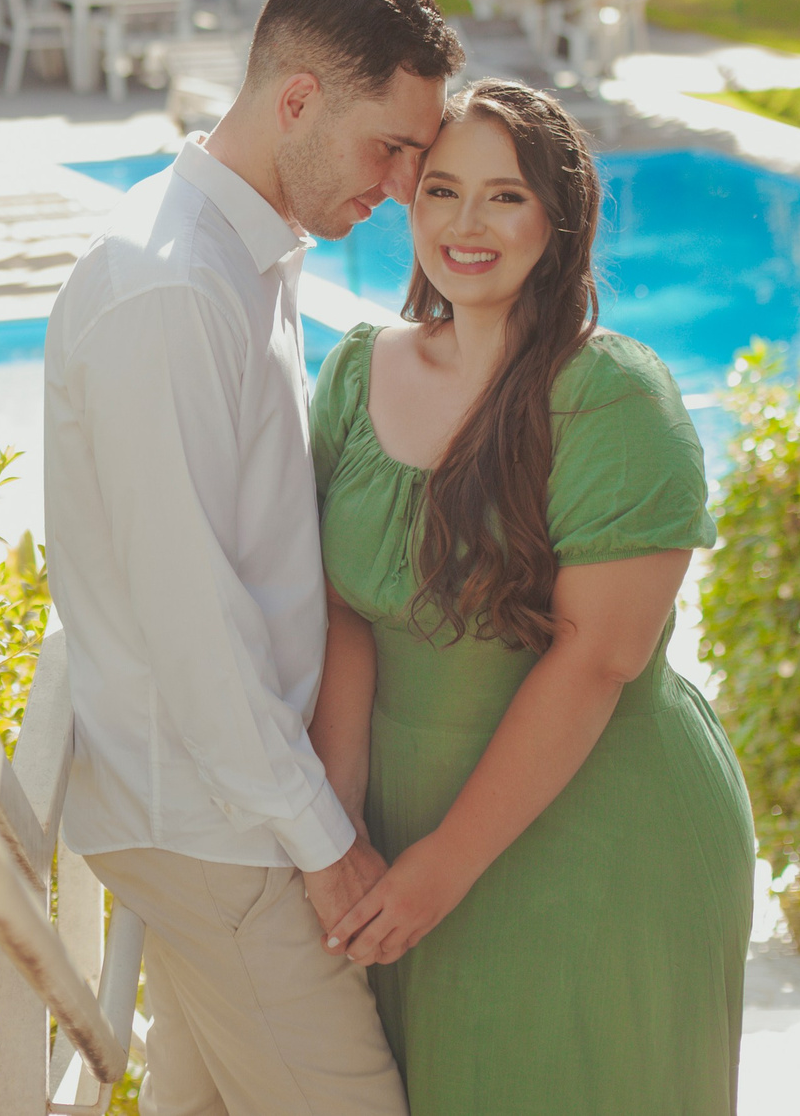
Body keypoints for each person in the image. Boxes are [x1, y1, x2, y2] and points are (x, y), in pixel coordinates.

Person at [43, 0, 462, 1115]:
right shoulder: (172, 288)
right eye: (389, 148)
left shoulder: (242, 255)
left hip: (229, 805)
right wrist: (323, 842)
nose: (401, 188)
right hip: (216, 826)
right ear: (298, 101)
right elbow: (192, 620)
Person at [307, 79, 754, 1116]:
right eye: (442, 190)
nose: (466, 225)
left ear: (559, 219)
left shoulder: (615, 397)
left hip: (601, 835)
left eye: (504, 197)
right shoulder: (355, 372)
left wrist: (441, 868)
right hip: (400, 825)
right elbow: (341, 605)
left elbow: (597, 659)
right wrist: (338, 807)